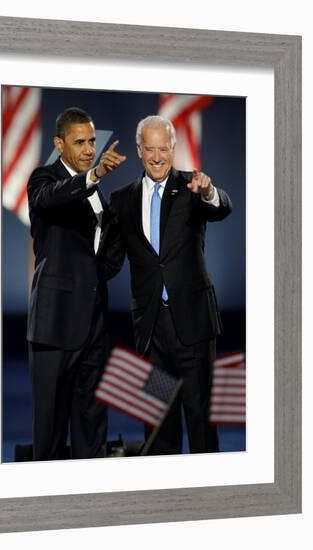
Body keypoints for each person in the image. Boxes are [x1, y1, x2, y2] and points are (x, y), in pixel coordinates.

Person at [105, 115, 232, 455]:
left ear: (174, 149)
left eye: (164, 148)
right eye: (150, 149)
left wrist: (208, 193)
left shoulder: (193, 187)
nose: (157, 156)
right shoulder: (122, 200)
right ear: (139, 150)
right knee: (158, 424)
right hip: (151, 332)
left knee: (200, 420)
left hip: (192, 326)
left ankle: (208, 498)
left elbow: (222, 207)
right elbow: (109, 261)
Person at [26, 107, 126, 461]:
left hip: (95, 328)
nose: (88, 149)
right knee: (50, 432)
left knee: (92, 427)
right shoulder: (43, 179)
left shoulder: (97, 192)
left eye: (92, 141)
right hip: (54, 326)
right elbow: (49, 198)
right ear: (59, 143)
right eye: (79, 142)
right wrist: (94, 174)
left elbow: (104, 255)